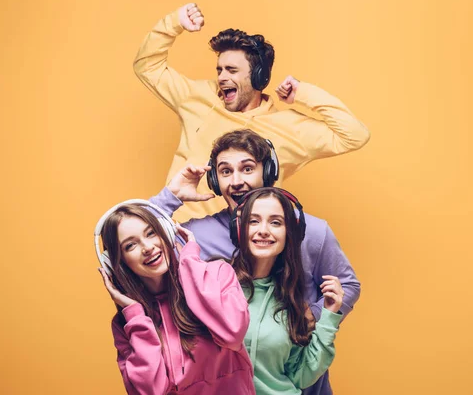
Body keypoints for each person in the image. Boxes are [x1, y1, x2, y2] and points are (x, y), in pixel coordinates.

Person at [150, 129, 359, 395]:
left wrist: (309, 318)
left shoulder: (310, 230)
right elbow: (129, 245)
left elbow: (347, 284)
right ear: (214, 180)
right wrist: (170, 197)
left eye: (247, 169)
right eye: (225, 172)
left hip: (301, 378)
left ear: (268, 172)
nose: (236, 181)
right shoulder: (197, 235)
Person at [134, 2, 370, 220]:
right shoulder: (199, 97)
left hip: (247, 247)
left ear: (258, 77)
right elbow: (147, 67)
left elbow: (354, 135)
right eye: (219, 70)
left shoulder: (290, 127)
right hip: (180, 237)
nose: (222, 77)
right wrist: (173, 23)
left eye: (231, 70)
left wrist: (304, 94)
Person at [95, 200, 255, 394]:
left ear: (166, 233)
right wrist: (136, 316)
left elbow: (232, 334)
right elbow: (151, 391)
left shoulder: (218, 274)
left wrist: (190, 264)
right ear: (116, 263)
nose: (147, 247)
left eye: (151, 233)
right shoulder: (127, 324)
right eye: (130, 245)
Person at [231, 187, 345, 394]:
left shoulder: (291, 301)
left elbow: (302, 373)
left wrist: (328, 316)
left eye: (275, 222)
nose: (263, 230)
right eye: (254, 221)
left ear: (289, 233)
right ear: (239, 229)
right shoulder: (215, 283)